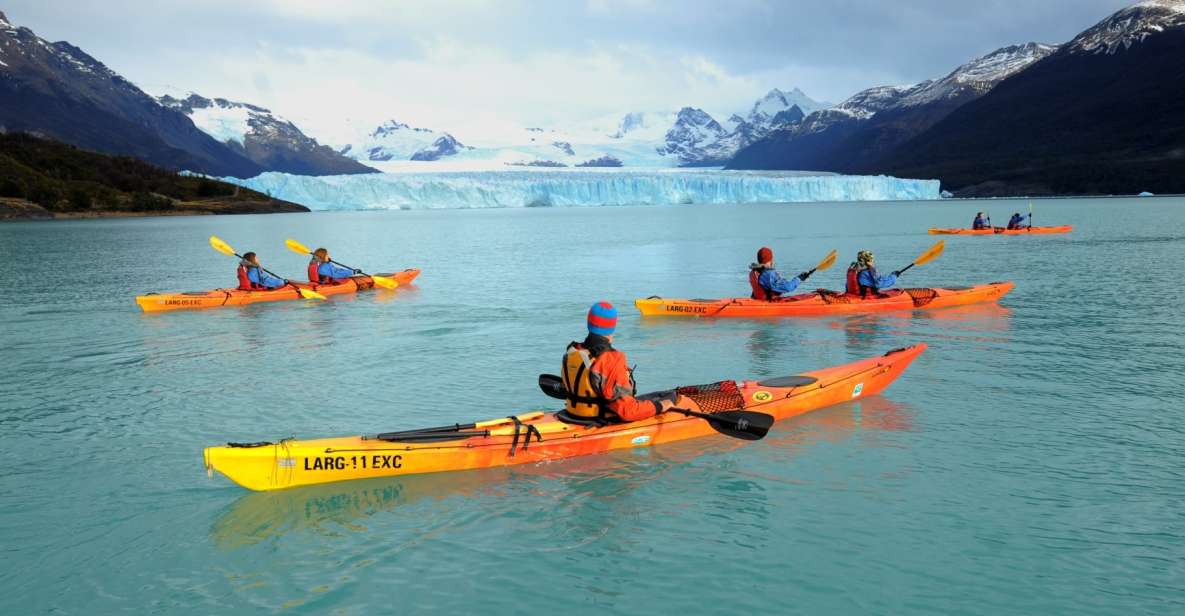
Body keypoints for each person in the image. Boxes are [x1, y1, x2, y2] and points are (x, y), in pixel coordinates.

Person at [561, 302, 678, 423]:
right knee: (670, 398)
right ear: (612, 326)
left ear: (589, 323)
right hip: (600, 420)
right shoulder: (611, 360)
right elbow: (628, 412)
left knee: (666, 394)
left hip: (572, 414)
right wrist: (660, 406)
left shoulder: (572, 352)